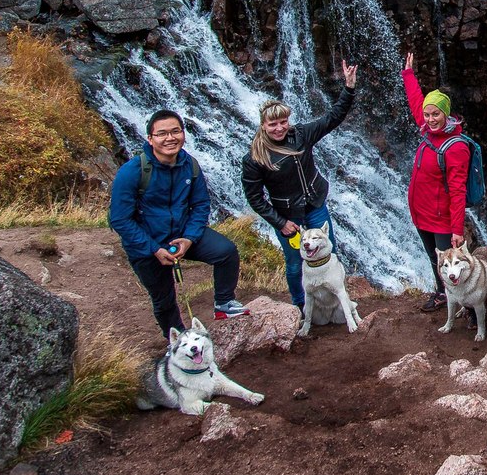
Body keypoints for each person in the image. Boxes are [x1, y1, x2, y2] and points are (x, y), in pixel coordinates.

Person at [108, 109, 248, 336]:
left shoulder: (189, 165)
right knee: (164, 299)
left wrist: (190, 239)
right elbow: (120, 220)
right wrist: (154, 249)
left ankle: (224, 303)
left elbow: (201, 205)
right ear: (150, 139)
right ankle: (177, 340)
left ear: (183, 134)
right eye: (162, 134)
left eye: (176, 131)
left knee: (226, 252)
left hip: (182, 233)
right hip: (146, 244)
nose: (170, 138)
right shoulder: (132, 172)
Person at [240, 61, 359, 314]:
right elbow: (255, 198)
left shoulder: (301, 134)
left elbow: (332, 118)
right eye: (273, 124)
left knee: (330, 253)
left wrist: (348, 87)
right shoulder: (255, 158)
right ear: (263, 125)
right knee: (295, 263)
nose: (279, 127)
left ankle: (338, 301)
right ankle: (300, 307)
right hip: (288, 216)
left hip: (315, 205)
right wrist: (280, 222)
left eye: (283, 122)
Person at [402, 52, 470, 312]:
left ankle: (464, 304)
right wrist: (408, 75)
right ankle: (442, 294)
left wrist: (457, 229)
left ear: (446, 114)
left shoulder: (455, 148)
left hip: (441, 218)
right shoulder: (427, 128)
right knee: (437, 260)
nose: (430, 119)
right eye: (427, 115)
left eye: (435, 115)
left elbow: (457, 189)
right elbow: (417, 102)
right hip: (422, 214)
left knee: (451, 263)